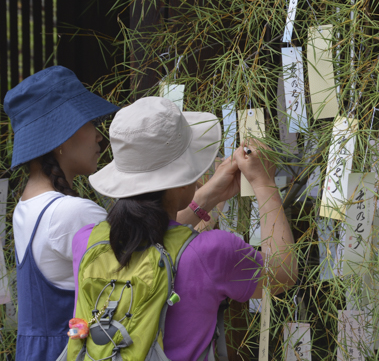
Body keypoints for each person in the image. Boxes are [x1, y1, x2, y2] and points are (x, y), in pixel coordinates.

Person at [72, 96, 297, 360]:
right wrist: (263, 182)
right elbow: (283, 273)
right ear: (181, 179)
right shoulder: (211, 252)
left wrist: (209, 196)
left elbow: (155, 233)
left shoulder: (86, 241)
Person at [5, 65, 120, 361]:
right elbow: (146, 266)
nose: (99, 136)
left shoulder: (26, 206)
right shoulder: (71, 212)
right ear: (61, 136)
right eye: (90, 122)